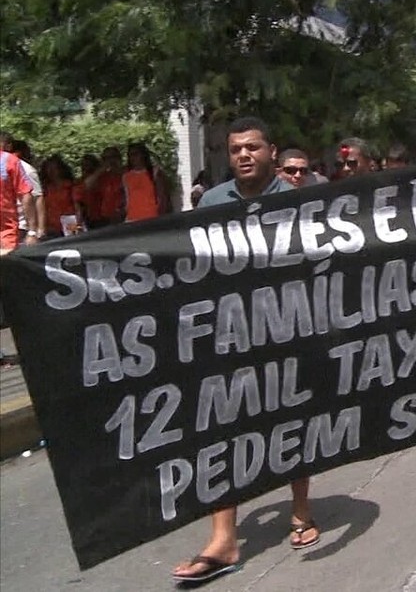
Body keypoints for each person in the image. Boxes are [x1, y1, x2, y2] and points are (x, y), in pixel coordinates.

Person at [174, 117, 320, 584]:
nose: (243, 155)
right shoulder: (212, 203)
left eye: (252, 147)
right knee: (223, 428)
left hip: (288, 330)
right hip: (229, 337)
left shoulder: (300, 200)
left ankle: (300, 512)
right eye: (236, 148)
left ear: (271, 152)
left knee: (293, 419)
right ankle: (224, 538)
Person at [1, 145, 37, 254]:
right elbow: (25, 195)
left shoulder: (8, 160)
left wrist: (32, 231)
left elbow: (25, 194)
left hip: (6, 233)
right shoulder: (9, 160)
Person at [122, 142, 171, 222]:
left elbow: (163, 198)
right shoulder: (126, 177)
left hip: (152, 218)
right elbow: (126, 199)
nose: (133, 157)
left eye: (136, 154)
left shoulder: (155, 172)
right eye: (130, 155)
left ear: (143, 155)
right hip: (132, 219)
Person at [39, 155, 84, 238]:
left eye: (54, 168)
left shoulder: (71, 186)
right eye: (48, 169)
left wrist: (78, 225)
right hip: (50, 228)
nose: (51, 171)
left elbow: (78, 208)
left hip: (68, 226)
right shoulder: (45, 188)